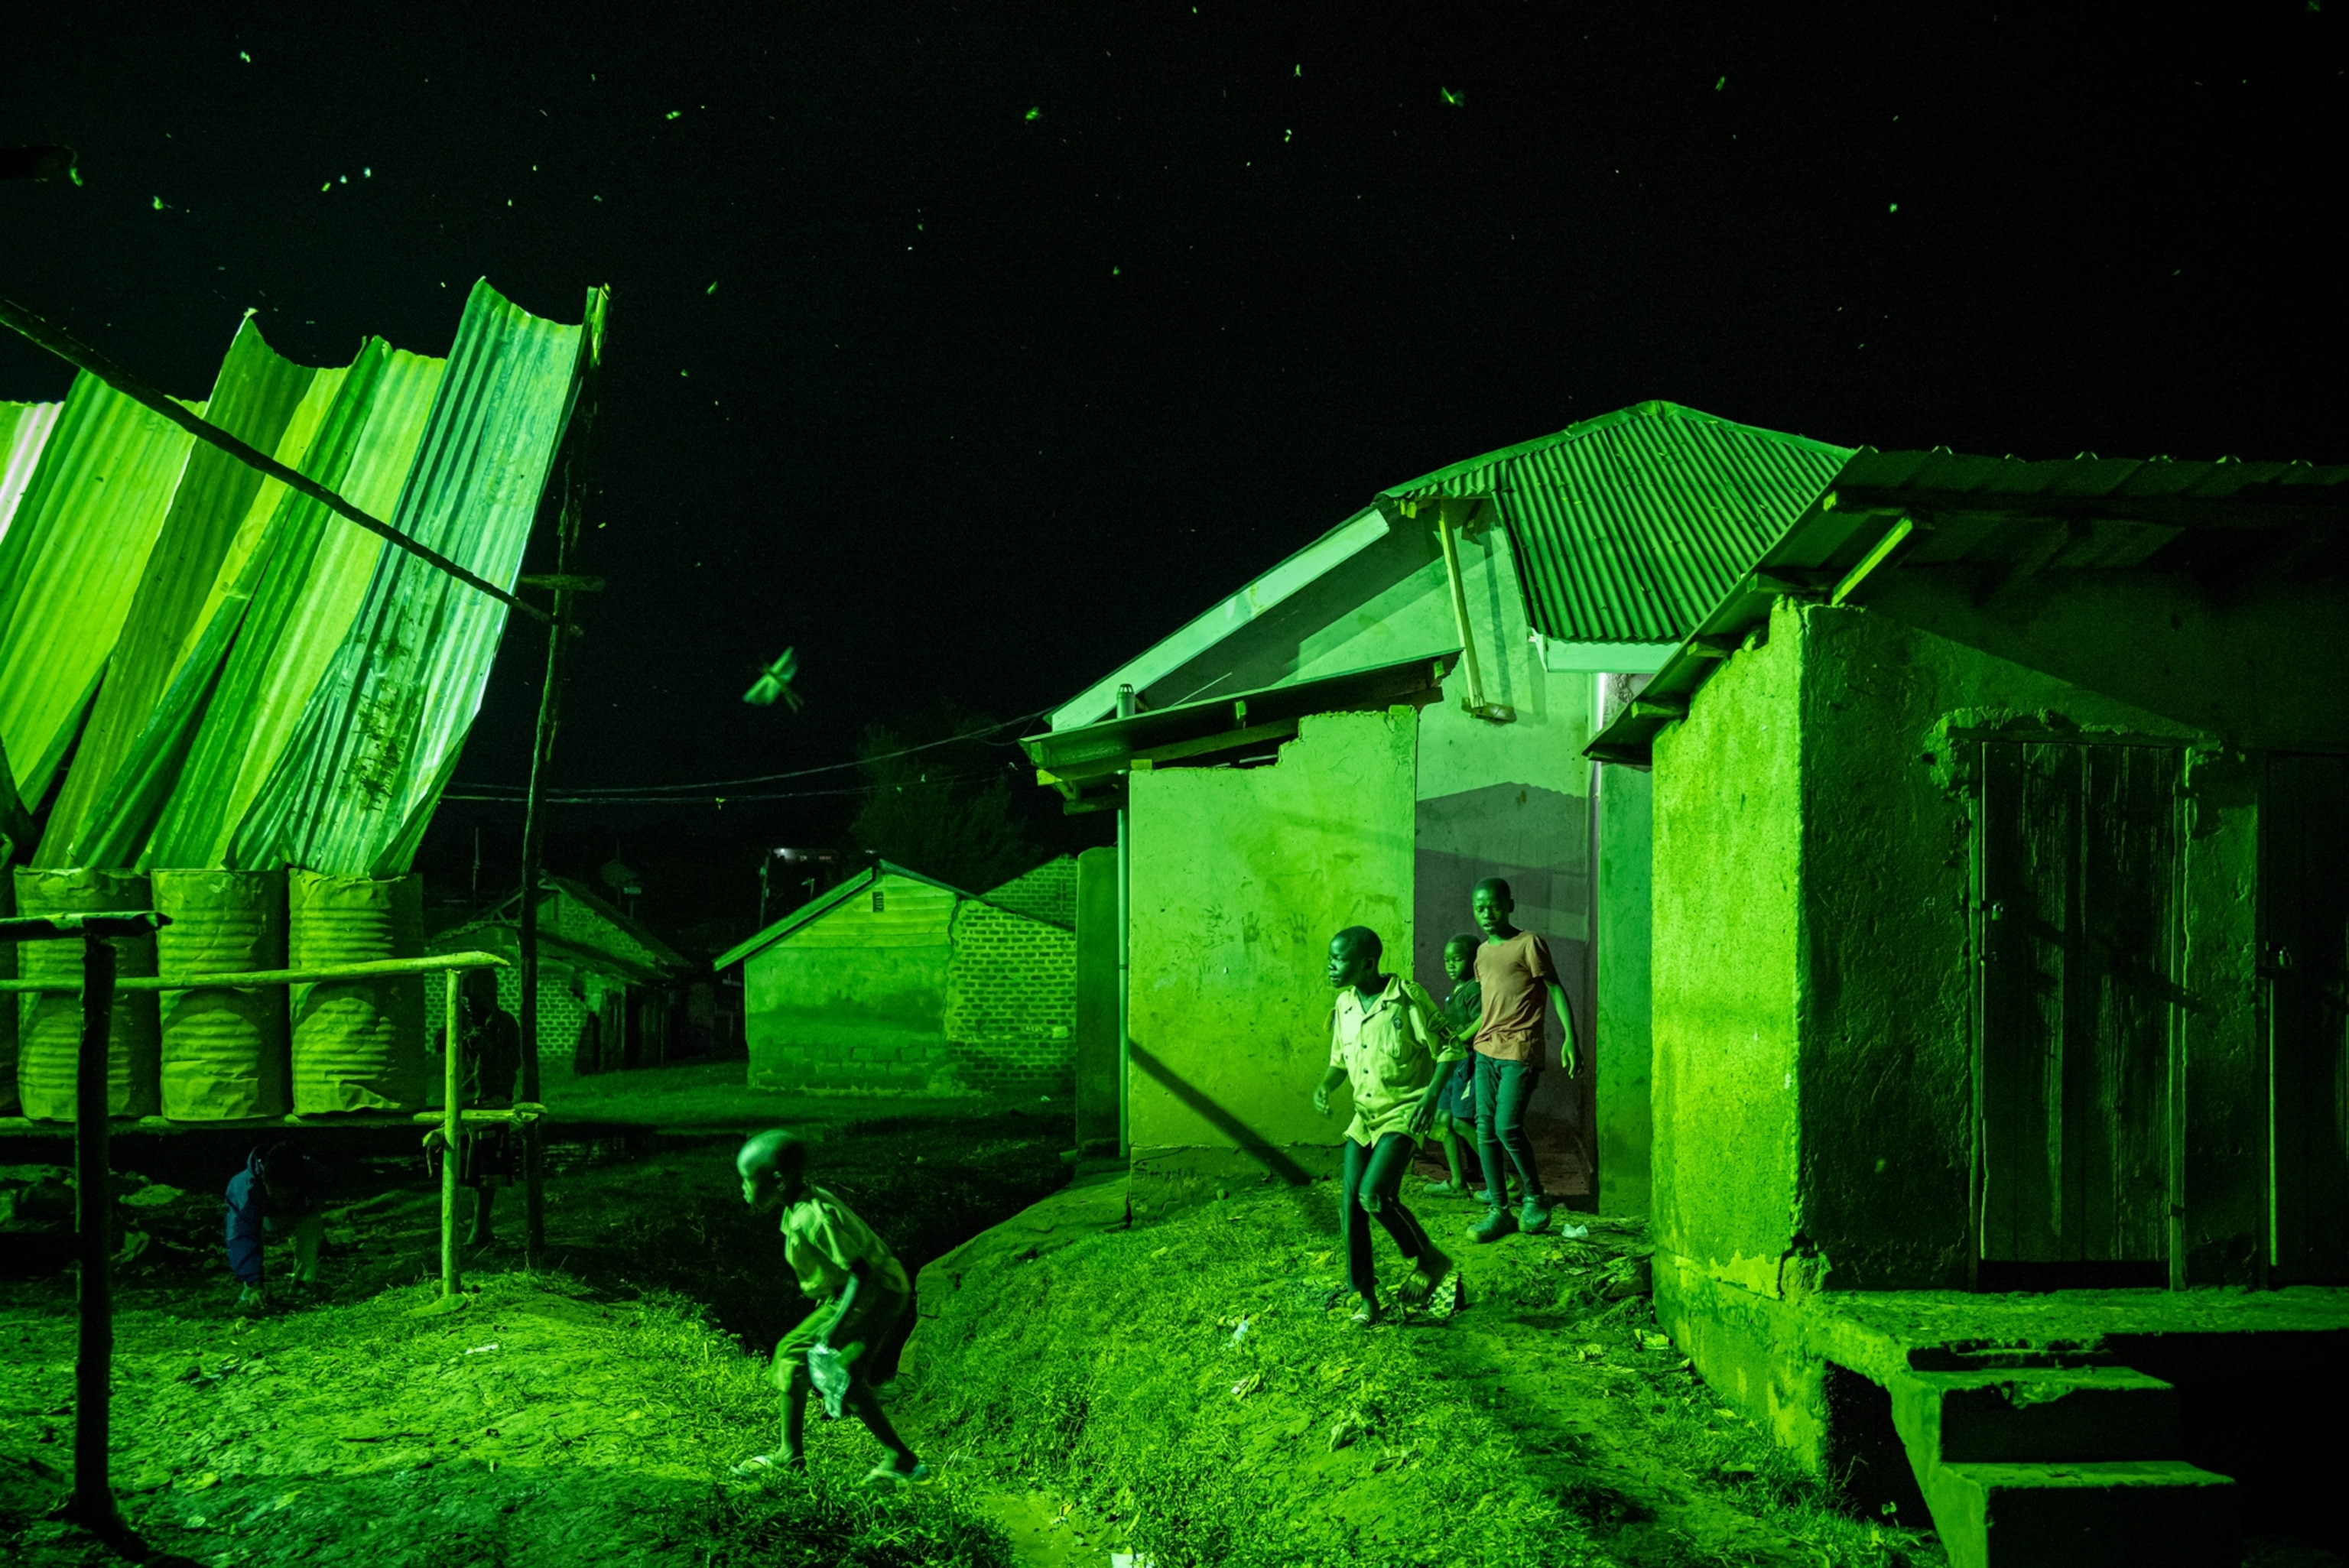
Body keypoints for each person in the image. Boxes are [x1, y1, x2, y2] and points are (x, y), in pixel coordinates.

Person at [729, 1130, 927, 1485]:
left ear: (778, 1180)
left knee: (792, 1353)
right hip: (878, 1288)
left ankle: (789, 1456)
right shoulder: (797, 1205)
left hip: (874, 1290)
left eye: (748, 1180)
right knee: (845, 1375)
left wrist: (833, 1328)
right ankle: (902, 1460)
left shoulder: (813, 1217)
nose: (743, 1188)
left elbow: (860, 1272)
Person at [1310, 926, 1461, 1326]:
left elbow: (1449, 1047)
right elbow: (1339, 1061)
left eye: (1339, 959)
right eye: (1331, 957)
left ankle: (1429, 1258)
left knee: (1374, 1195)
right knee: (1350, 1207)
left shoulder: (1406, 999)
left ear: (1367, 963)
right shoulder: (1344, 1004)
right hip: (1365, 1118)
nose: (1331, 966)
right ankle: (1367, 1299)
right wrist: (1325, 1086)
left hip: (1404, 1112)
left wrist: (1430, 1098)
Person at [1466, 877, 1578, 1244]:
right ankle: (1499, 1210)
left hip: (1520, 1050)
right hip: (1486, 1050)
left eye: (1494, 906)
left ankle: (1534, 1196)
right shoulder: (1481, 954)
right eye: (1480, 908)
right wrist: (1463, 1039)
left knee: (1506, 1126)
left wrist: (1570, 1040)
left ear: (1510, 905)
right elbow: (1490, 1008)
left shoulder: (1529, 943)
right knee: (1484, 1127)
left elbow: (1556, 989)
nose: (1487, 913)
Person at [426, 968, 521, 1247]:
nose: (468, 1000)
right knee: (466, 1166)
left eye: (473, 994)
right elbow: (439, 1043)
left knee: (487, 1169)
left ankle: (481, 1227)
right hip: (464, 1101)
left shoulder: (504, 1023)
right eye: (465, 995)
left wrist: (487, 1044)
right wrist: (458, 1030)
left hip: (493, 1100)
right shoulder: (458, 1021)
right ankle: (475, 1228)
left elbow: (513, 1061)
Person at [1421, 933, 1486, 1200]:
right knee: (1443, 1120)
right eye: (1446, 960)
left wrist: (1459, 1037)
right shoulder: (1456, 991)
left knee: (1460, 1122)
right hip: (1451, 1060)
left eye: (1457, 959)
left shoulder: (1475, 989)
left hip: (1467, 1061)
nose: (1450, 965)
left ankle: (1504, 1181)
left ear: (1473, 962)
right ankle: (1458, 1183)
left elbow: (1483, 1019)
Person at [224, 1143, 328, 1309]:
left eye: (287, 1194)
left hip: (297, 1210)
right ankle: (250, 1291)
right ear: (264, 1182)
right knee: (248, 1230)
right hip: (264, 1215)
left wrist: (304, 1204)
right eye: (277, 1194)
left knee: (311, 1219)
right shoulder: (243, 1189)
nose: (282, 1200)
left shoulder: (314, 1174)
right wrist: (254, 1281)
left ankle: (303, 1284)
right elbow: (241, 1235)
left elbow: (318, 1198)